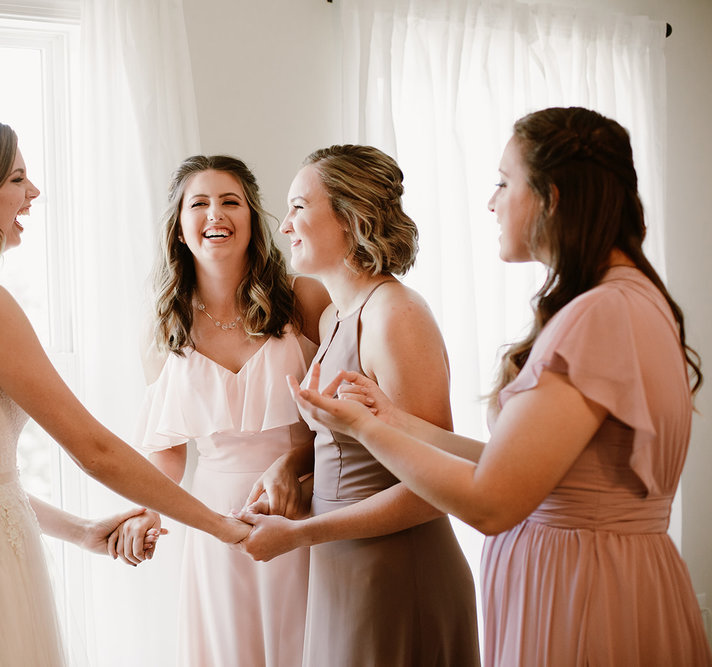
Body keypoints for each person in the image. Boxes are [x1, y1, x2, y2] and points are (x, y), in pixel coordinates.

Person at [290, 107, 712, 666]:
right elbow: (514, 466)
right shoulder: (619, 302)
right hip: (580, 580)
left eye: (503, 182)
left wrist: (365, 426)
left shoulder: (602, 314)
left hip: (583, 598)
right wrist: (393, 420)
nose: (491, 202)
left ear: (551, 197)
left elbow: (491, 503)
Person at [0, 115, 249, 667]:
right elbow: (94, 449)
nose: (33, 192)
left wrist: (85, 531)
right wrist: (220, 525)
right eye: (18, 179)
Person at [233, 145, 480, 666]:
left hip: (398, 570)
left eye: (299, 207)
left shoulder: (397, 315)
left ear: (351, 217)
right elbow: (352, 438)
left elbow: (436, 487)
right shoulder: (332, 320)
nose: (285, 226)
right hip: (341, 569)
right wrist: (291, 464)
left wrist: (302, 533)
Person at [113, 155, 329, 666]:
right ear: (180, 228)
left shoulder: (304, 299)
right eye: (200, 203)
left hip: (304, 502)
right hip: (213, 519)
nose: (216, 213)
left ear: (253, 218)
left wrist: (301, 469)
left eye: (231, 201)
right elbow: (168, 451)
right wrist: (147, 509)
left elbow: (341, 416)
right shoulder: (163, 327)